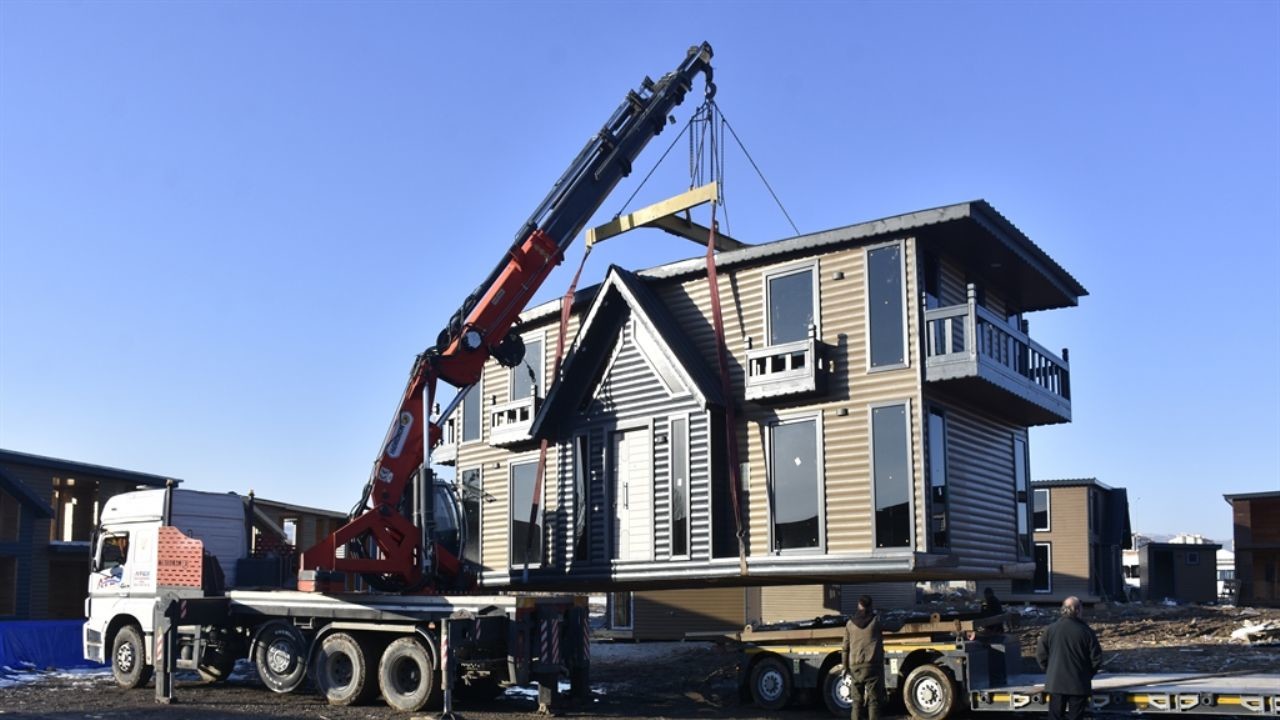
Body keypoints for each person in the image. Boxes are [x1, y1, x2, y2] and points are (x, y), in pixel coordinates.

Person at [1035, 596, 1103, 720]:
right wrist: (1087, 675)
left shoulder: (1050, 630)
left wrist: (1049, 671)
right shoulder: (1086, 631)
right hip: (1078, 684)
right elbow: (1096, 658)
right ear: (1077, 610)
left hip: (1056, 684)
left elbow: (1041, 654)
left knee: (1055, 716)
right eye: (1081, 609)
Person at [841, 595, 884, 720]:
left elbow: (845, 647)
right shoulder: (876, 621)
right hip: (872, 667)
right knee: (873, 701)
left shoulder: (849, 624)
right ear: (870, 606)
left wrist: (845, 667)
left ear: (858, 606)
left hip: (855, 667)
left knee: (856, 702)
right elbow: (895, 627)